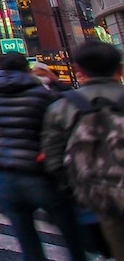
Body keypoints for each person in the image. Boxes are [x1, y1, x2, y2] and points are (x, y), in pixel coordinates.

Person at [0, 53, 86, 261]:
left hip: (2, 169)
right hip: (38, 168)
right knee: (71, 234)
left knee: (27, 241)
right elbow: (55, 127)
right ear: (26, 69)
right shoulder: (41, 93)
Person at [42, 41, 124, 261]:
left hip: (99, 198)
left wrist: (76, 192)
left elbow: (53, 160)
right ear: (120, 69)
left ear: (79, 70)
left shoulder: (61, 107)